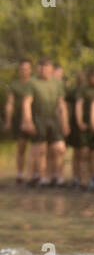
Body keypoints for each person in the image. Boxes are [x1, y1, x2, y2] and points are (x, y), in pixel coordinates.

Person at [21, 58, 69, 186]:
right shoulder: (32, 82)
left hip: (54, 119)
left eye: (46, 67)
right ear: (38, 68)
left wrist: (65, 122)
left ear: (51, 69)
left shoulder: (57, 83)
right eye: (41, 67)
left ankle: (59, 177)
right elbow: (27, 102)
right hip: (39, 118)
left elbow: (61, 104)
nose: (44, 70)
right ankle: (44, 178)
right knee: (40, 149)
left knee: (60, 148)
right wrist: (28, 121)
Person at [4, 59, 35, 185]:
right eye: (22, 69)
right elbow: (10, 104)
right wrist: (8, 120)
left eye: (27, 68)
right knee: (21, 146)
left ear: (31, 70)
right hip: (19, 118)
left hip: (35, 118)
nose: (25, 71)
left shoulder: (34, 83)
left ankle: (34, 174)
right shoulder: (15, 85)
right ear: (19, 71)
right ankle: (20, 174)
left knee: (36, 147)